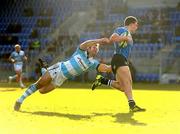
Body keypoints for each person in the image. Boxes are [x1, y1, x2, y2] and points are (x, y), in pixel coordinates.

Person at [14, 38, 112, 111]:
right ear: (89, 48)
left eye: (97, 48)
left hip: (62, 79)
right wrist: (99, 40)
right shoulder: (80, 51)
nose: (96, 48)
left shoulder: (93, 63)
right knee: (39, 84)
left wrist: (119, 65)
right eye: (94, 46)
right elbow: (86, 43)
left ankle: (44, 70)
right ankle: (19, 100)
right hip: (59, 69)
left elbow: (107, 69)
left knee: (42, 91)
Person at [91, 16, 146, 112]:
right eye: (136, 25)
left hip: (120, 59)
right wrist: (125, 38)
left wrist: (127, 38)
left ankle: (102, 80)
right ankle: (132, 105)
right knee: (128, 83)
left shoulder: (128, 33)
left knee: (122, 87)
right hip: (119, 58)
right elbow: (112, 38)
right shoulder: (122, 29)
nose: (137, 27)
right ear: (132, 23)